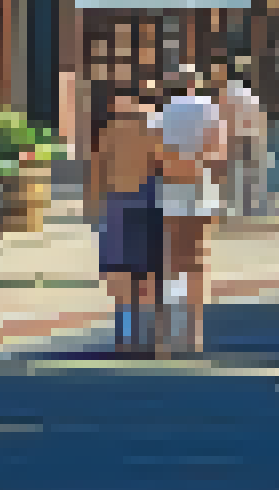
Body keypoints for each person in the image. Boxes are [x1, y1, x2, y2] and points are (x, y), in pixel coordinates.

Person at [154, 70, 225, 354]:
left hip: (171, 185)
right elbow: (218, 150)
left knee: (171, 258)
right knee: (197, 257)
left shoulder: (163, 113)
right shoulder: (209, 108)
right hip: (200, 184)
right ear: (195, 84)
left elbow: (156, 153)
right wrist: (198, 162)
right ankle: (194, 330)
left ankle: (172, 325)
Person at [93, 86, 167, 354]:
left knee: (124, 275)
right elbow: (162, 165)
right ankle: (155, 336)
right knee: (151, 274)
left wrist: (95, 212)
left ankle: (125, 336)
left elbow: (97, 174)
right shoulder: (150, 132)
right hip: (143, 202)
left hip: (118, 204)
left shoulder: (108, 134)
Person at [220, 57, 268, 218]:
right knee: (252, 173)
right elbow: (259, 117)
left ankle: (237, 208)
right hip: (250, 136)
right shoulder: (251, 94)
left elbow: (225, 116)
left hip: (235, 137)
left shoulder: (228, 92)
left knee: (236, 173)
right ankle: (253, 207)